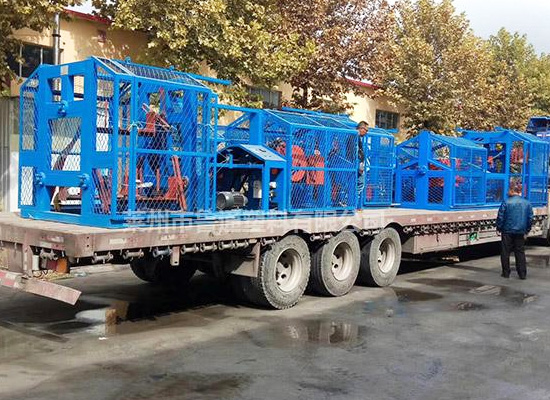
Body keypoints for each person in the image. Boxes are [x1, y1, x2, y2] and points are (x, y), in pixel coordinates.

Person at [496, 184, 533, 279]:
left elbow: (500, 217)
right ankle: (522, 274)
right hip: (520, 231)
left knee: (505, 252)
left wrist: (499, 228)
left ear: (512, 191)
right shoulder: (527, 203)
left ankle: (506, 273)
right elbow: (530, 219)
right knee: (520, 252)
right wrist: (527, 230)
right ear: (519, 191)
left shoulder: (506, 202)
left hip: (507, 230)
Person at [356, 121, 369, 205]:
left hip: (357, 164)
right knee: (360, 183)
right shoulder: (355, 136)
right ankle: (353, 202)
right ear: (361, 128)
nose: (366, 132)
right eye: (366, 130)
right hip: (356, 164)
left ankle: (352, 202)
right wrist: (360, 165)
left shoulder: (357, 137)